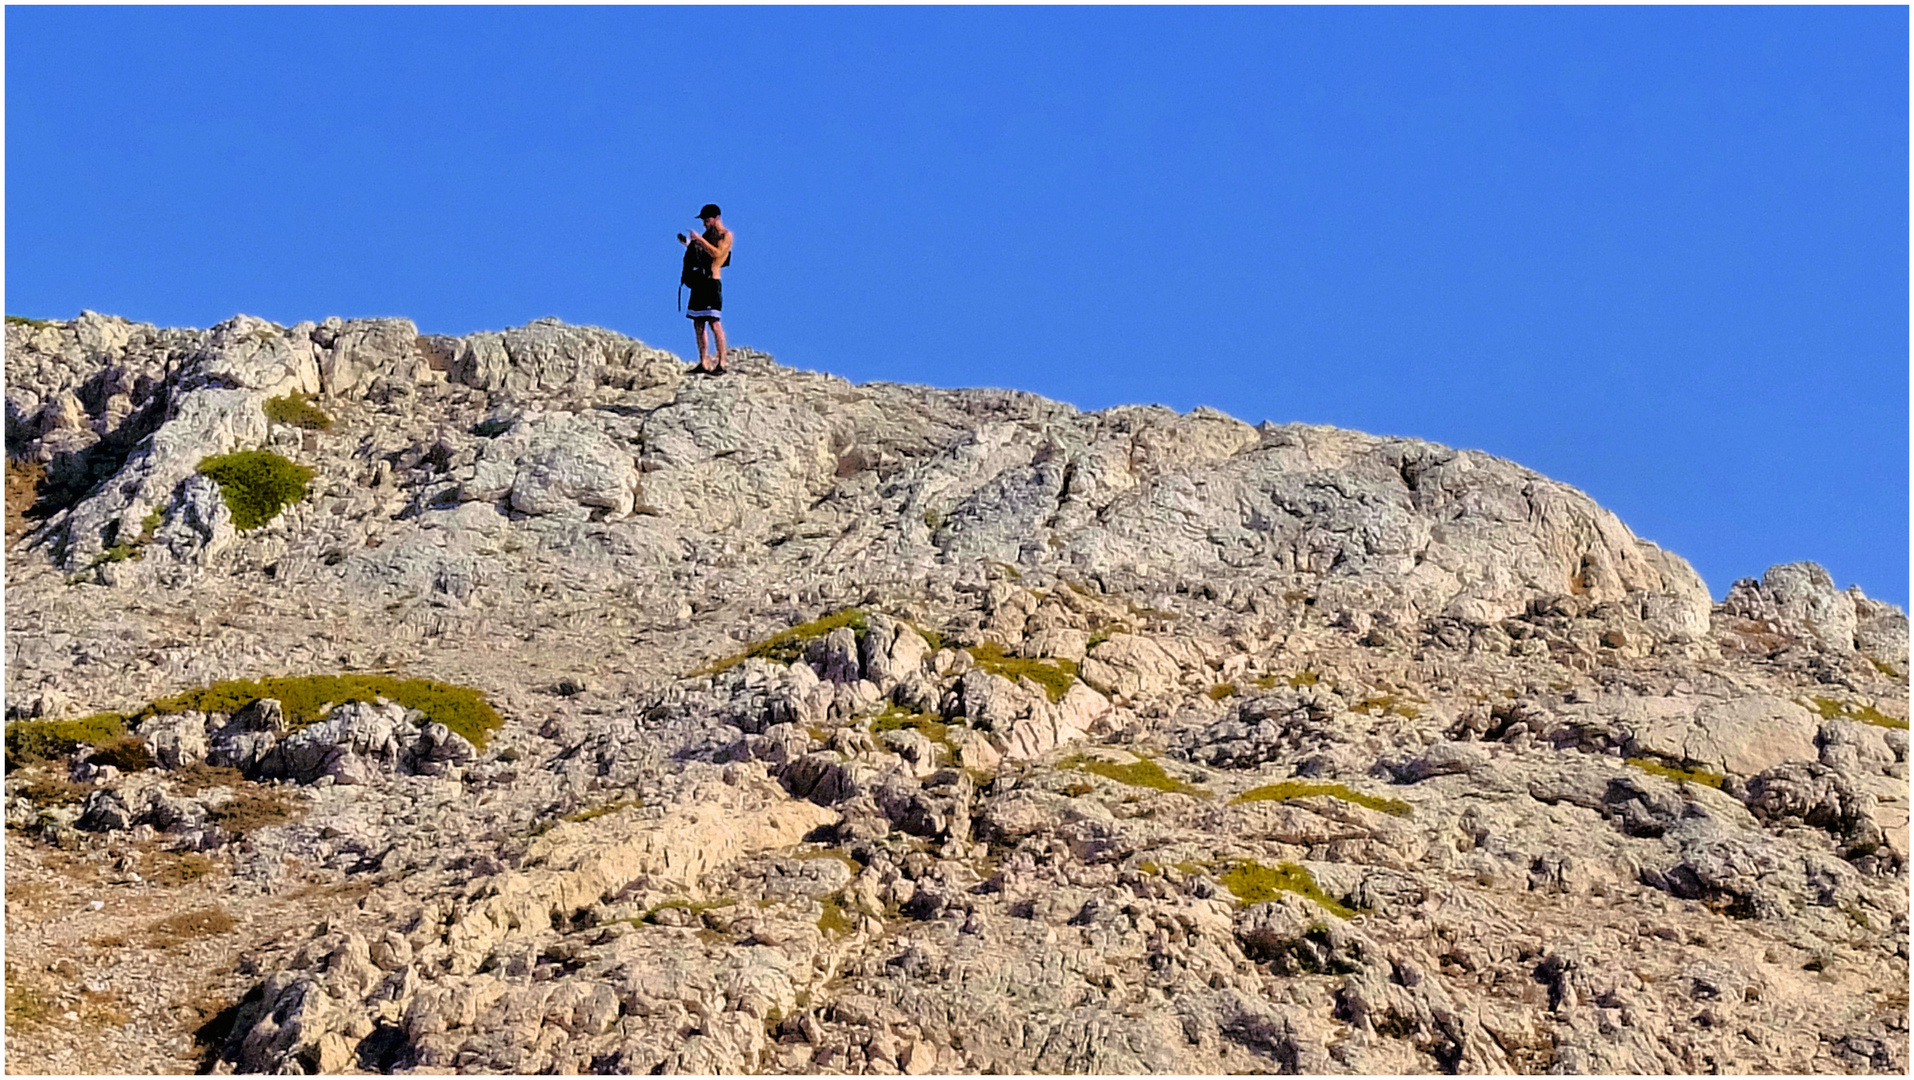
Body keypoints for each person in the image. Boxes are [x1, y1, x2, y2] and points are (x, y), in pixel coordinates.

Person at [681, 204, 734, 375]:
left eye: (707, 219)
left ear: (716, 217)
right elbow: (702, 255)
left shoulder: (725, 235)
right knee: (698, 322)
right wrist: (690, 245)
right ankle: (703, 362)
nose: (704, 223)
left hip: (712, 282)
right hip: (700, 282)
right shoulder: (707, 236)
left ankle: (722, 362)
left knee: (714, 322)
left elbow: (718, 254)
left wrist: (700, 241)